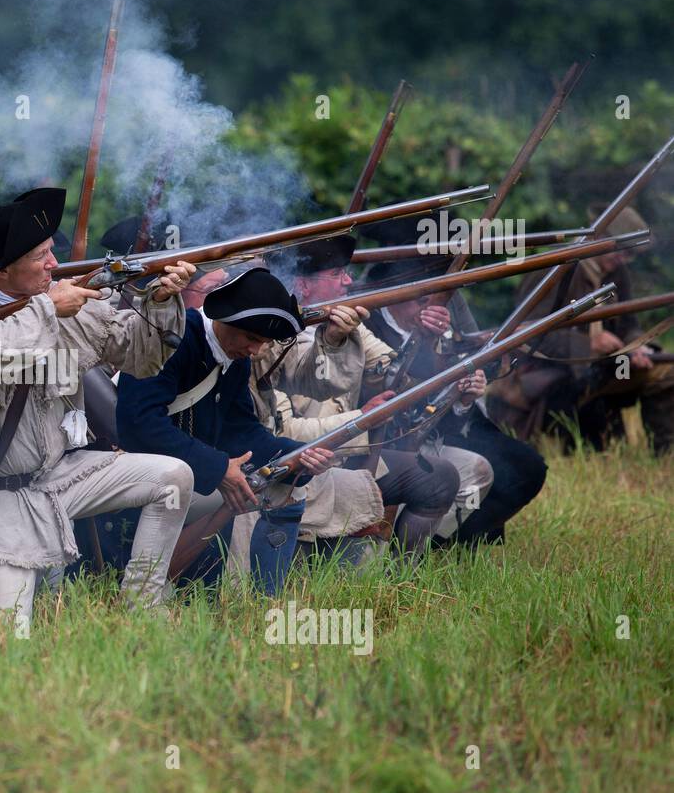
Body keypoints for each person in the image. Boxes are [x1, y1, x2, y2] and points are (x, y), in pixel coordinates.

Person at [0, 187, 195, 634]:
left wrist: (161, 300)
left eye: (52, 252)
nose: (55, 264)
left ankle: (141, 607)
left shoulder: (54, 298)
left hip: (54, 479)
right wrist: (48, 309)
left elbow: (142, 358)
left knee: (173, 478)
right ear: (5, 268)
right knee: (8, 639)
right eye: (41, 257)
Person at [115, 265, 336, 594]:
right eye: (251, 338)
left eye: (262, 342)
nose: (256, 350)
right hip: (140, 473)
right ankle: (226, 597)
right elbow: (139, 423)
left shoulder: (235, 356)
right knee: (249, 495)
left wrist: (294, 456)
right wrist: (218, 468)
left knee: (283, 487)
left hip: (188, 471)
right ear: (225, 317)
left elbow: (239, 430)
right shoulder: (174, 338)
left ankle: (263, 600)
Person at [272, 237, 468, 553]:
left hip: (348, 456)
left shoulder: (350, 327)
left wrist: (426, 338)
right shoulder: (271, 338)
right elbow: (287, 433)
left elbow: (398, 372)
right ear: (302, 285)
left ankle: (402, 574)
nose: (349, 281)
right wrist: (362, 420)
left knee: (440, 478)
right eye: (337, 273)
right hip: (301, 466)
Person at [360, 255, 548, 545]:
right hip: (381, 440)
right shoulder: (367, 326)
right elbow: (384, 388)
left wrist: (464, 397)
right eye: (421, 301)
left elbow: (445, 399)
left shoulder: (443, 318)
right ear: (394, 297)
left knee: (518, 468)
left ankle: (442, 543)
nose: (432, 309)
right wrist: (423, 341)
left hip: (438, 431)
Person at [490, 207, 674, 453]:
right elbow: (525, 336)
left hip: (604, 369)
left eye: (631, 255)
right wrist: (589, 344)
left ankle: (664, 453)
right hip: (556, 374)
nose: (625, 259)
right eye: (624, 252)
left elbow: (629, 325)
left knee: (664, 373)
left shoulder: (618, 272)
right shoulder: (554, 268)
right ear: (599, 237)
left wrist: (635, 345)